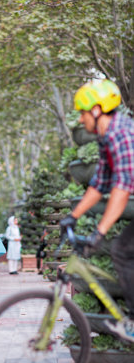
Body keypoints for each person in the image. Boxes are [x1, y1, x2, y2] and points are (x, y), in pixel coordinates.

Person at [60, 79, 134, 342]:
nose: (80, 120)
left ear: (97, 110)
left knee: (123, 251)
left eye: (82, 113)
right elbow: (100, 184)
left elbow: (123, 188)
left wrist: (99, 232)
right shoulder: (106, 137)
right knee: (123, 251)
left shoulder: (121, 134)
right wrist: (73, 216)